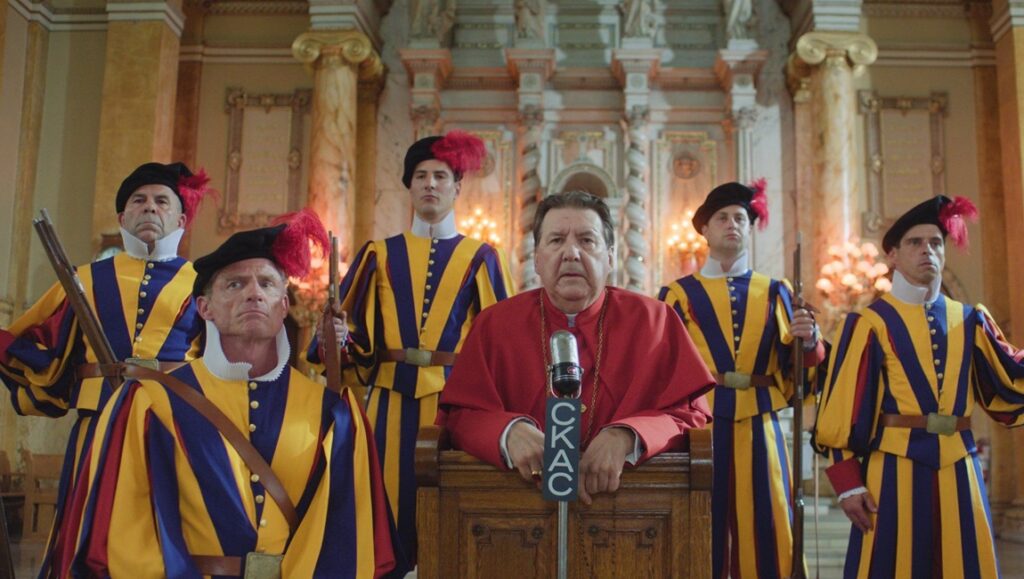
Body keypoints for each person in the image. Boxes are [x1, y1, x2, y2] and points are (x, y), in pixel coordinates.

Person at [53, 210, 405, 578]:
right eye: (234, 285)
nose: (254, 293)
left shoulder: (331, 412)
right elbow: (126, 530)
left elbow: (350, 532)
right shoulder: (150, 403)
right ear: (204, 308)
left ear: (284, 306)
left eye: (268, 284)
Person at [438, 191, 713, 504]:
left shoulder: (656, 322)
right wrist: (507, 431)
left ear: (610, 255)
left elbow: (689, 415)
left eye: (587, 240)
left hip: (631, 512)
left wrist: (627, 436)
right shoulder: (494, 324)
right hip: (516, 511)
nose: (571, 253)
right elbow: (460, 415)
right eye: (556, 240)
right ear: (537, 259)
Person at [315, 130, 513, 562]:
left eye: (440, 176)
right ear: (409, 185)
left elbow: (501, 340)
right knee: (380, 501)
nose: (429, 184)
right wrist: (336, 337)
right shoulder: (378, 254)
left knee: (448, 501)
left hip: (455, 401)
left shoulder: (482, 256)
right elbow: (347, 340)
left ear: (457, 187)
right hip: (386, 399)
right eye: (421, 175)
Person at [0, 162, 208, 571]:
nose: (150, 208)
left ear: (180, 218)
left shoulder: (203, 282)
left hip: (172, 424)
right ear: (122, 217)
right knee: (86, 532)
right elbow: (36, 339)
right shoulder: (82, 279)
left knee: (167, 531)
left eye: (161, 201)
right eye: (139, 201)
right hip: (97, 424)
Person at [815, 195, 1024, 578]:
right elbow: (841, 411)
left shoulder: (971, 320)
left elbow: (1012, 376)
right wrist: (847, 485)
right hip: (892, 468)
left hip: (960, 466)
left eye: (936, 243)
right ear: (892, 255)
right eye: (915, 242)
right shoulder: (868, 323)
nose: (927, 249)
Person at [658, 181, 825, 578]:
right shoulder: (677, 296)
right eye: (722, 218)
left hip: (761, 423)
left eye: (740, 218)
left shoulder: (776, 292)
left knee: (769, 520)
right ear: (705, 230)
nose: (732, 224)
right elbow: (663, 366)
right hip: (701, 424)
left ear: (749, 228)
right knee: (702, 520)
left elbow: (798, 366)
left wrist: (811, 340)